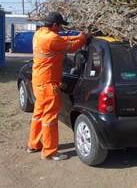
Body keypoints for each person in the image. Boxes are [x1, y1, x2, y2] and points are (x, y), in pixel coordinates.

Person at [27, 11, 90, 160]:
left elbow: (63, 39)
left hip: (38, 80)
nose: (62, 28)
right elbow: (71, 46)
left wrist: (78, 36)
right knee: (49, 118)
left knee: (39, 114)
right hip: (49, 83)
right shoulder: (51, 38)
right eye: (60, 25)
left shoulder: (40, 33)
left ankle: (34, 144)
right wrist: (83, 37)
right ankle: (49, 152)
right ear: (54, 25)